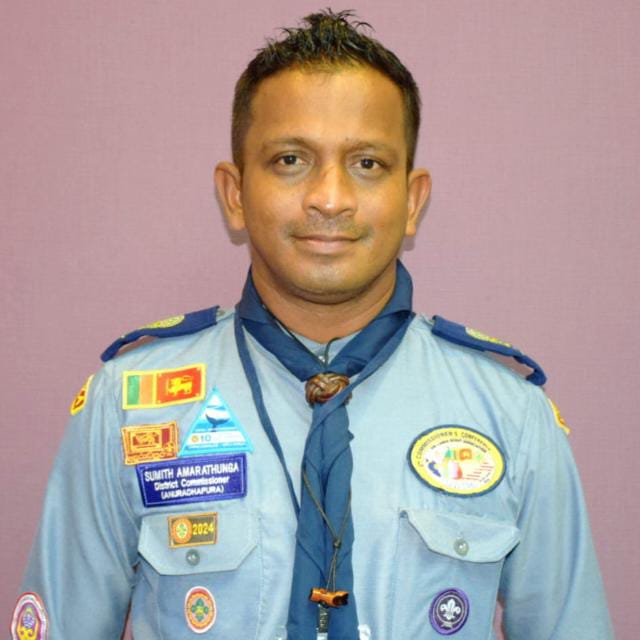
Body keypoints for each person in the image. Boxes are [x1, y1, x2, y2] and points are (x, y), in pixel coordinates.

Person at [12, 10, 613, 640]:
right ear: (235, 193)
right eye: (291, 159)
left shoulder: (510, 416)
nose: (330, 197)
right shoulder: (128, 405)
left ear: (412, 201)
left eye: (368, 164)